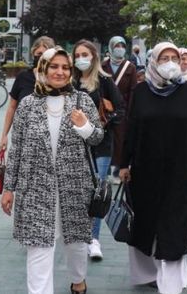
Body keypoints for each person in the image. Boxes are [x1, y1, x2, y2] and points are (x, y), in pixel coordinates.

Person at [1, 47, 104, 294]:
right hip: (35, 188)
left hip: (74, 189)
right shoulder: (28, 105)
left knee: (77, 246)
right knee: (39, 250)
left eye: (65, 67)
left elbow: (98, 138)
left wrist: (85, 126)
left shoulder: (82, 101)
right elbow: (16, 149)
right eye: (54, 67)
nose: (60, 72)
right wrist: (8, 189)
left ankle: (78, 281)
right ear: (43, 70)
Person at [119, 43, 187, 294]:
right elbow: (132, 128)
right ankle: (147, 273)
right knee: (145, 223)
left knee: (174, 227)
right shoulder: (140, 91)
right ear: (153, 61)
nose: (170, 62)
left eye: (174, 57)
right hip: (144, 170)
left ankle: (170, 285)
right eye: (164, 57)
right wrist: (123, 163)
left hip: (180, 171)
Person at [71, 40, 125, 261]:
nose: (81, 58)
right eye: (78, 54)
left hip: (101, 144)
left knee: (97, 192)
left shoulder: (104, 81)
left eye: (85, 54)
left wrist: (105, 123)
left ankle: (93, 240)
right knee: (77, 191)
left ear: (93, 56)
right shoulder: (70, 81)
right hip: (75, 145)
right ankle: (77, 235)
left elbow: (121, 108)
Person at [0, 37, 55, 150]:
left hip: (50, 139)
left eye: (46, 54)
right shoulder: (23, 77)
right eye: (39, 53)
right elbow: (12, 107)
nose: (42, 57)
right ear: (33, 53)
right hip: (23, 137)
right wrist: (4, 135)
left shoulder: (57, 80)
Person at [102, 36, 138, 180]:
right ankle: (104, 171)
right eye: (117, 45)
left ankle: (117, 169)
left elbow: (133, 91)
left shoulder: (130, 67)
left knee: (120, 140)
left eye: (123, 46)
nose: (120, 48)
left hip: (123, 111)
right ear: (111, 47)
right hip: (105, 110)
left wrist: (129, 113)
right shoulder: (103, 65)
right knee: (105, 139)